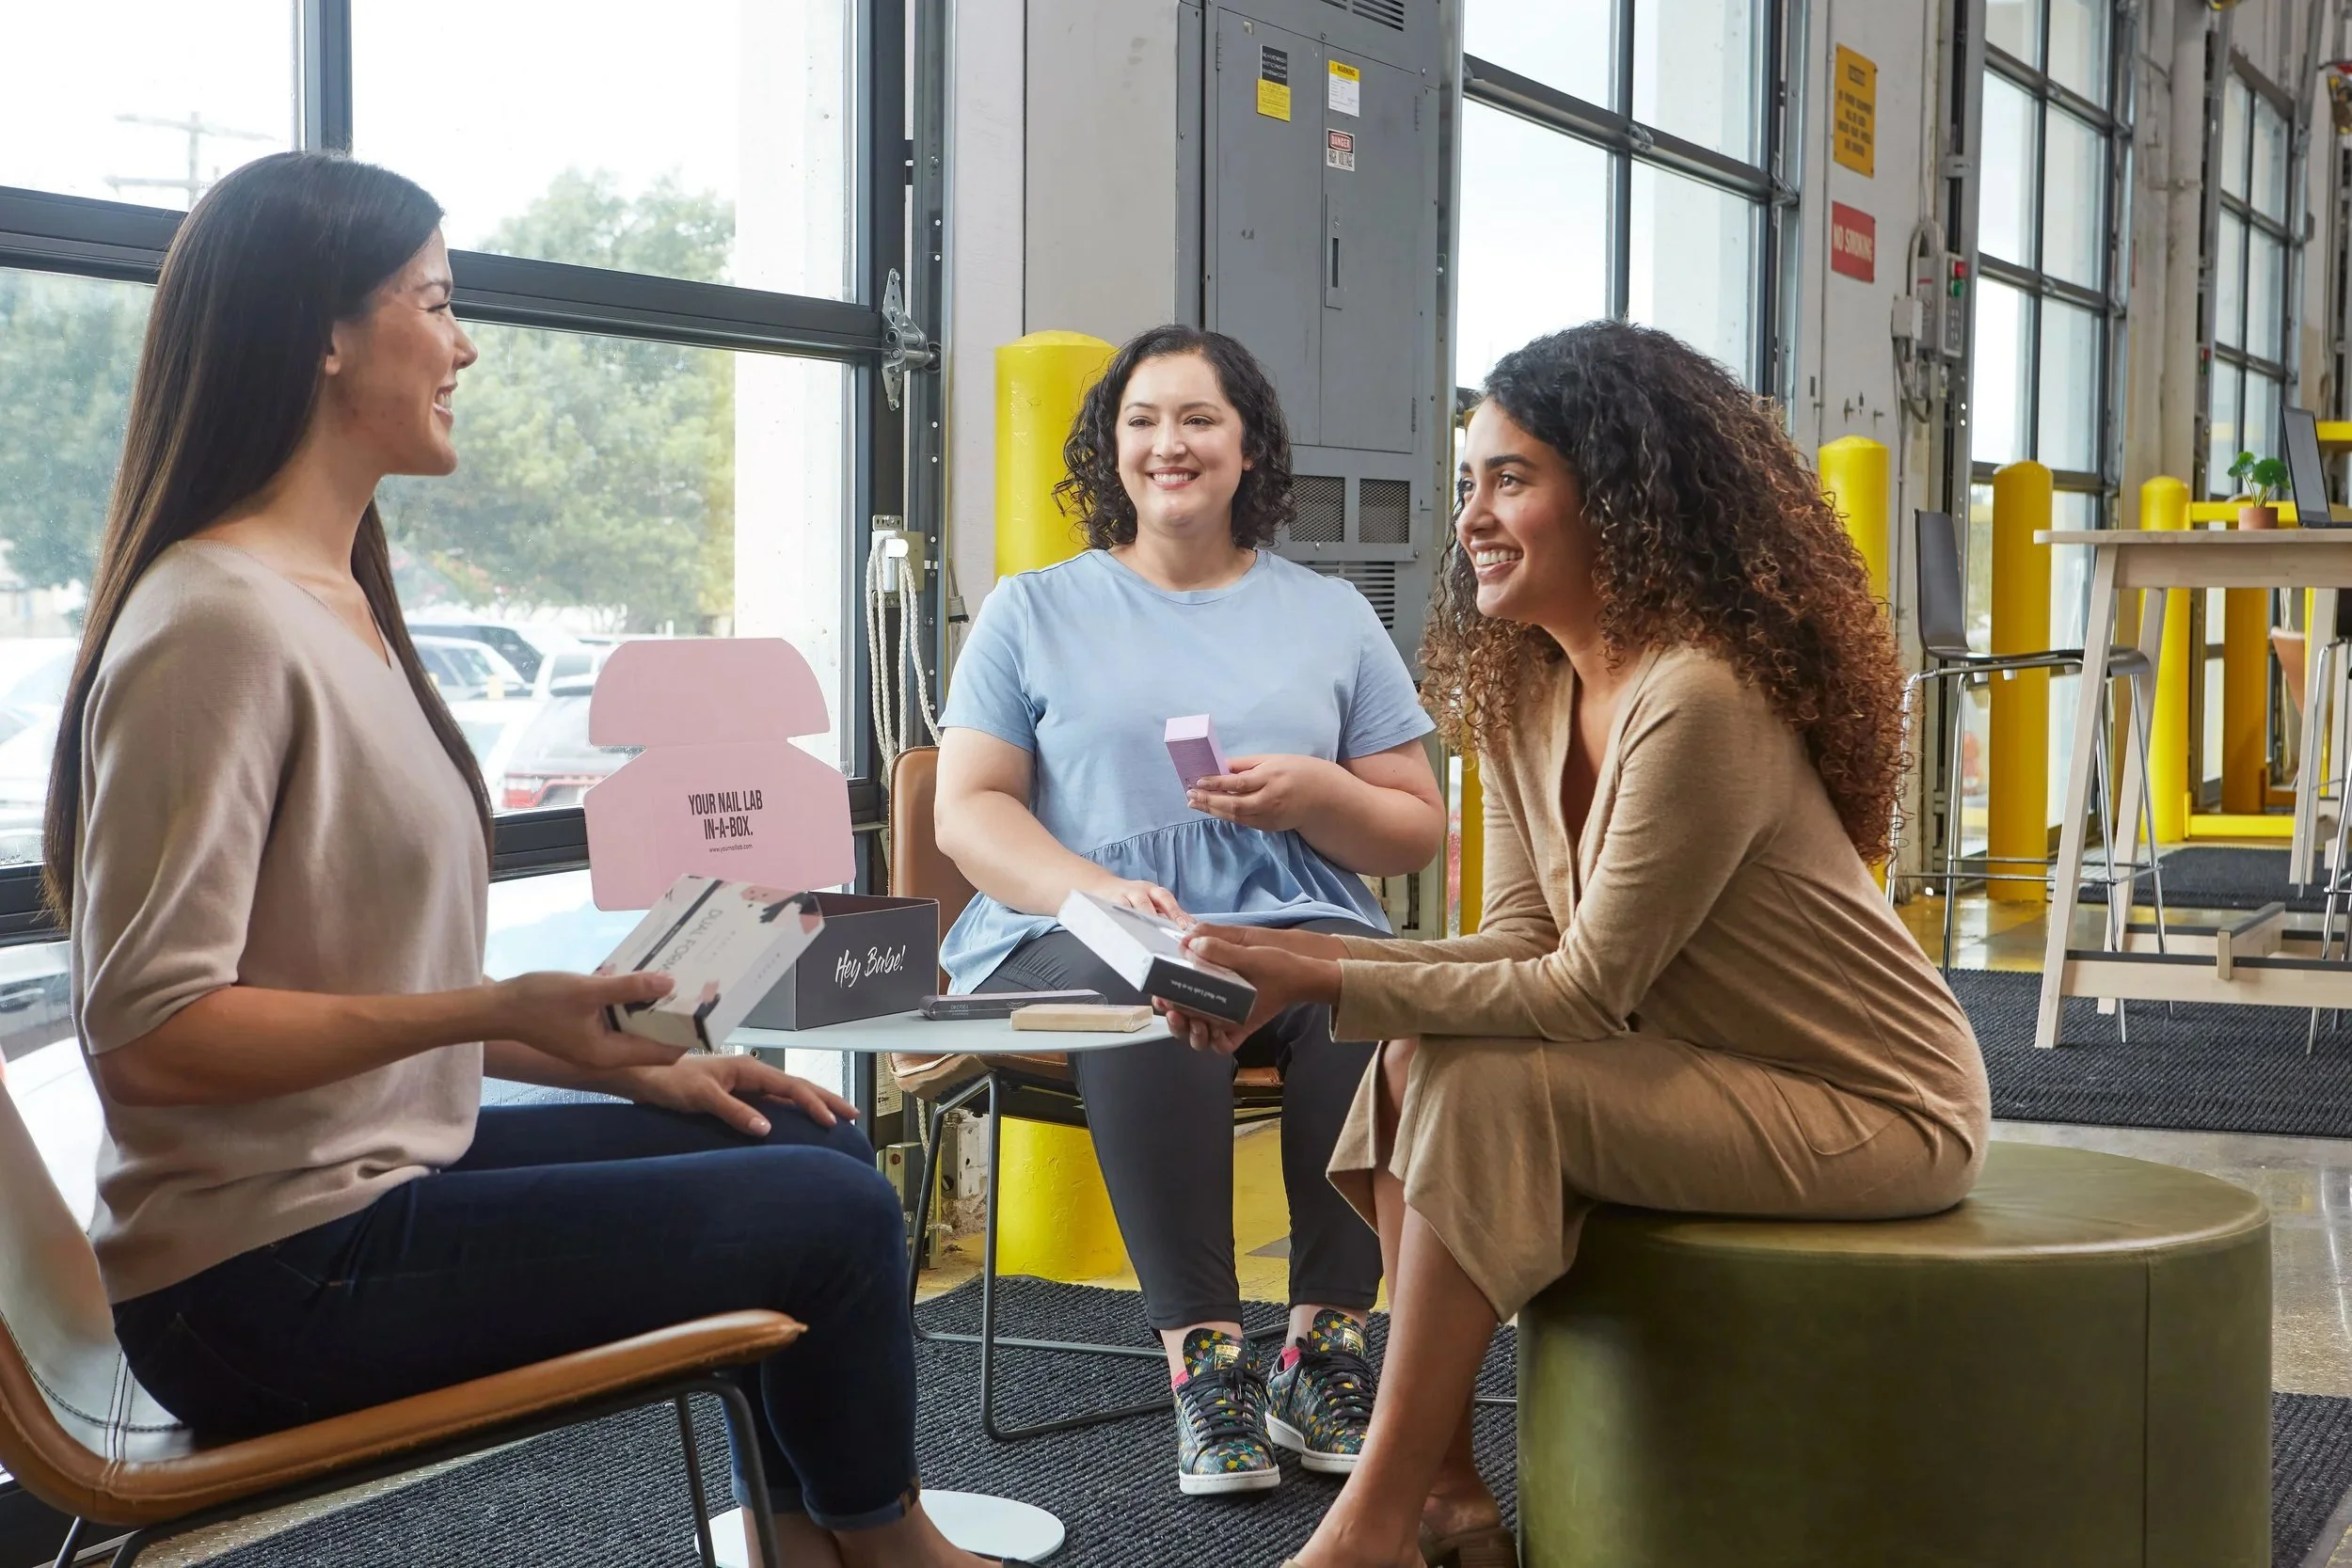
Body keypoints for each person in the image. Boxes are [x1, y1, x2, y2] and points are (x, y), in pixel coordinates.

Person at [56, 151, 1018, 1568]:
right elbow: (147, 1035)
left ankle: (813, 1542)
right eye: (435, 302)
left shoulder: (335, 601)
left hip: (355, 1197)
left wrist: (631, 1058)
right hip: (256, 1278)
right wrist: (497, 1010)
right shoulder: (218, 621)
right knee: (826, 1208)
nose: (465, 344)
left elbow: (357, 1000)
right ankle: (890, 1547)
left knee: (789, 1131)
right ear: (324, 332)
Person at [1165, 322, 1992, 1568]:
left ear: (1618, 495)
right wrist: (1295, 955)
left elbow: (1585, 986)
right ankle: (1440, 1489)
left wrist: (1313, 968)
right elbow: (1515, 940)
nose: (1474, 517)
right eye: (1467, 484)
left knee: (1482, 1070)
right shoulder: (1527, 685)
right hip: (1693, 1063)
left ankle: (1368, 1526)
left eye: (1512, 479)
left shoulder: (1699, 692)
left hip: (1869, 1100)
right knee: (1409, 1059)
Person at [931, 325, 1446, 1495]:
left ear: (1249, 445)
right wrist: (1097, 889)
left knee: (1369, 995)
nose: (1170, 443)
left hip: (1290, 910)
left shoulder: (1329, 613)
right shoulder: (1032, 610)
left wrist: (1319, 793)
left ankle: (1324, 1349)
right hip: (1077, 925)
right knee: (1158, 979)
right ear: (1108, 447)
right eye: (1143, 420)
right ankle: (1202, 1361)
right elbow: (969, 811)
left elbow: (1415, 824)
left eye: (1199, 418)